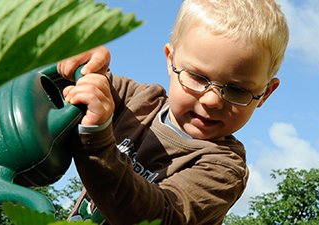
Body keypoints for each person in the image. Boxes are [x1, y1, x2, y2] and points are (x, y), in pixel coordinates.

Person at [57, 0, 288, 224]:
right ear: (171, 59)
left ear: (265, 94)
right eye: (198, 77)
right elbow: (61, 93)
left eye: (237, 90)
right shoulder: (136, 100)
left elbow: (161, 216)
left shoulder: (223, 168)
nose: (211, 101)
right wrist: (79, 64)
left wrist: (96, 140)